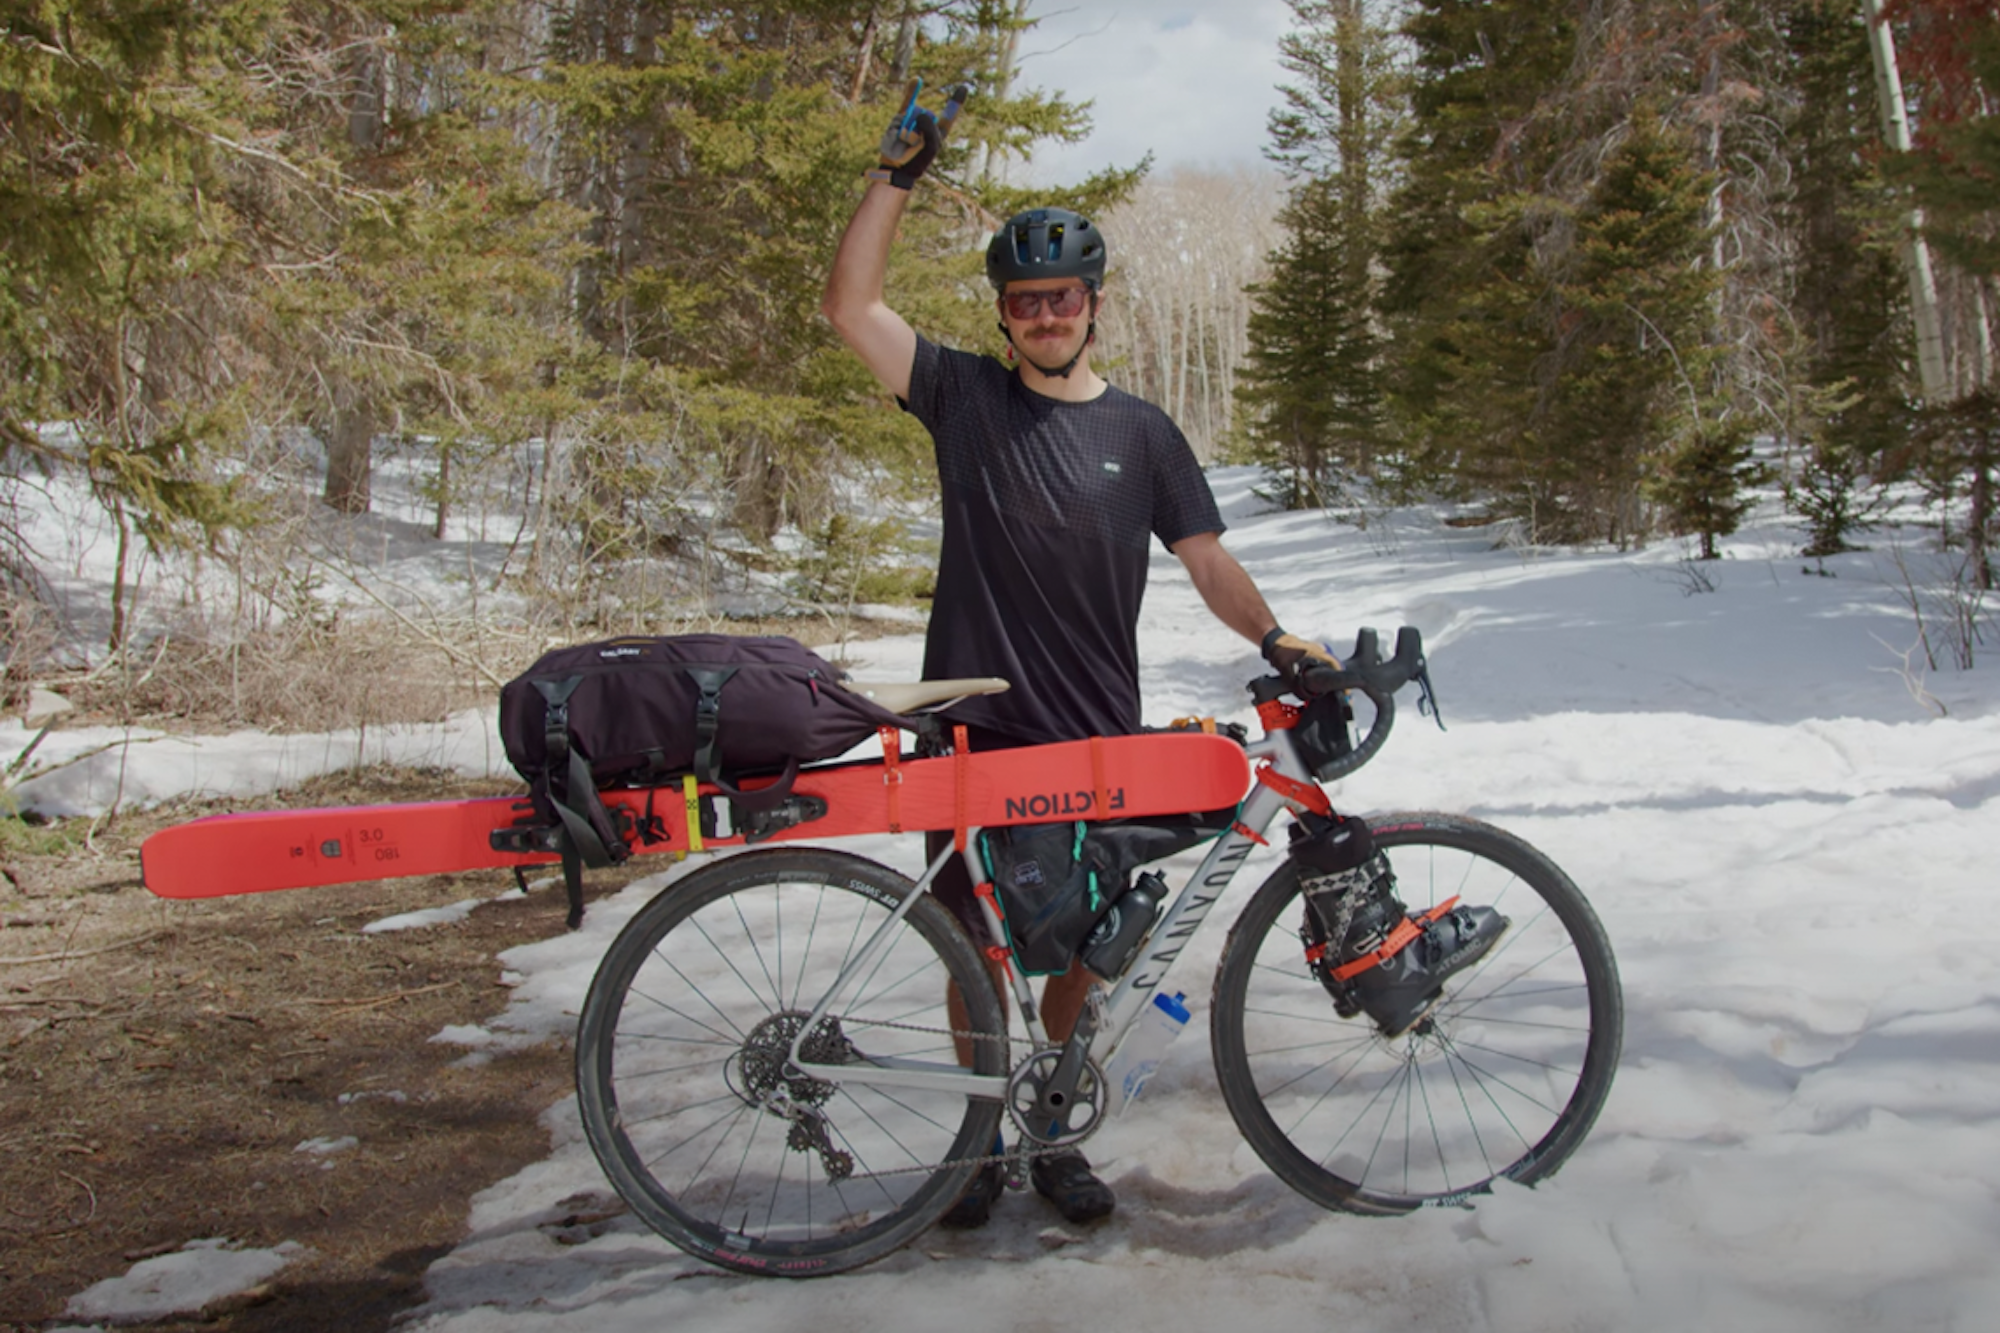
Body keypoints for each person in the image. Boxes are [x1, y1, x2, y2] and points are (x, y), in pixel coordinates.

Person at [819, 99, 1487, 1228]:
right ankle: (981, 1143)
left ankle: (1051, 1127)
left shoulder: (1142, 434)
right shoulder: (963, 399)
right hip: (976, 726)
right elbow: (850, 307)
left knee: (1086, 935)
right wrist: (897, 176)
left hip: (1095, 734)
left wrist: (1273, 638)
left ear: (1090, 306)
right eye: (1023, 302)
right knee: (975, 944)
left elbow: (1207, 561)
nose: (1042, 316)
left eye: (1060, 299)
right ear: (1004, 313)